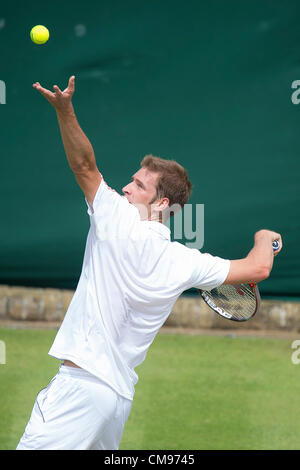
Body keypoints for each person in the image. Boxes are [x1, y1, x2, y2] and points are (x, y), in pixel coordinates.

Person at [16, 76, 282, 450]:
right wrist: (266, 236)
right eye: (131, 180)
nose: (126, 188)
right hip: (116, 401)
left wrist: (64, 110)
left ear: (161, 204)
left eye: (139, 185)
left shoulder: (115, 218)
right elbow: (258, 269)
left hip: (79, 390)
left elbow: (84, 165)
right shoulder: (185, 260)